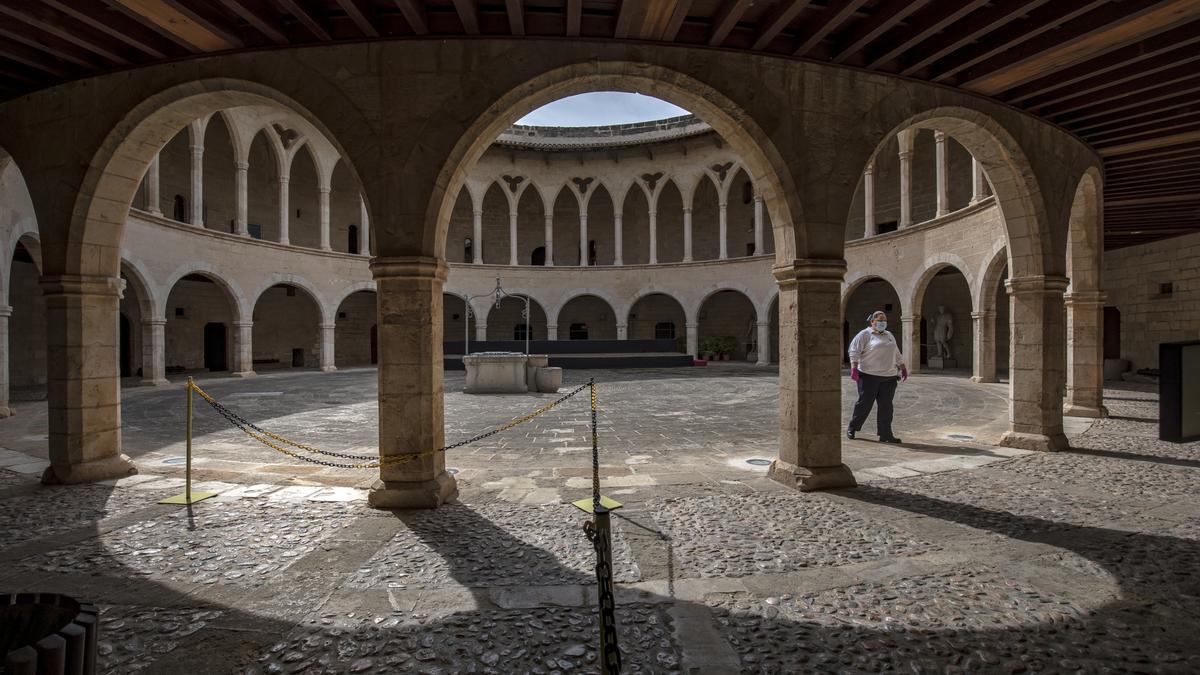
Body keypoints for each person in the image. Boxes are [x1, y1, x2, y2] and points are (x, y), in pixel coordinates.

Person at [847, 310, 908, 443]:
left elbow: (896, 352)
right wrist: (853, 368)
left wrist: (902, 367)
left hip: (889, 376)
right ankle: (853, 427)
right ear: (872, 321)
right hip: (868, 376)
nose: (882, 323)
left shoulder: (889, 335)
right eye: (880, 320)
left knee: (887, 406)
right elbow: (854, 351)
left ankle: (885, 433)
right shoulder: (865, 334)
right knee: (864, 404)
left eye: (884, 320)